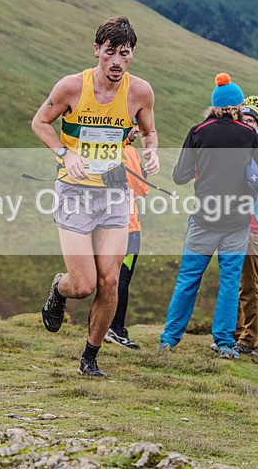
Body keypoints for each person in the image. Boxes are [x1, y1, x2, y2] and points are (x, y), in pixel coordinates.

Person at [31, 16, 159, 377]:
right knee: (84, 285)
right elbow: (40, 123)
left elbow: (149, 131)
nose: (117, 61)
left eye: (125, 53)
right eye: (110, 52)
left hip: (115, 193)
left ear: (131, 55)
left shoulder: (140, 92)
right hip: (74, 193)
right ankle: (60, 287)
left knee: (111, 280)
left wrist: (151, 150)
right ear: (97, 51)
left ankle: (90, 358)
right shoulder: (72, 87)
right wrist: (64, 154)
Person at [158, 73, 258, 359]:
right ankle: (225, 343)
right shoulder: (248, 134)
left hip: (204, 218)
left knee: (188, 279)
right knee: (229, 282)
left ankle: (169, 340)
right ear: (238, 106)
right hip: (238, 221)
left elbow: (180, 176)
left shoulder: (198, 132)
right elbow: (256, 174)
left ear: (213, 106)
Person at [104, 123, 149, 349]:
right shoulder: (129, 151)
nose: (137, 132)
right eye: (134, 126)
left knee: (107, 277)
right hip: (128, 227)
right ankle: (116, 328)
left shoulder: (101, 147)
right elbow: (142, 188)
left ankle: (102, 326)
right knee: (123, 278)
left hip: (102, 224)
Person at [234, 95, 258, 354]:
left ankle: (250, 339)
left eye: (251, 121)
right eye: (242, 119)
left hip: (253, 226)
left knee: (249, 283)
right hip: (233, 224)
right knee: (234, 283)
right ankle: (237, 333)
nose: (246, 125)